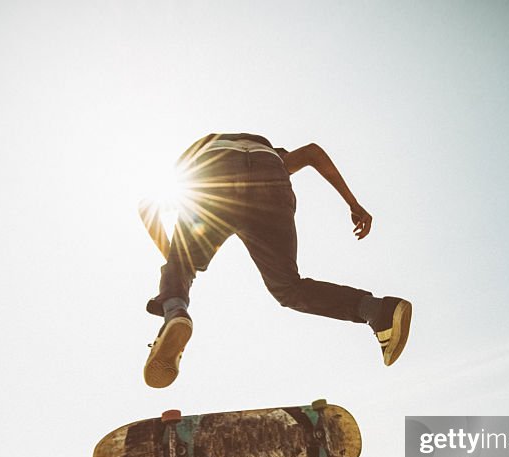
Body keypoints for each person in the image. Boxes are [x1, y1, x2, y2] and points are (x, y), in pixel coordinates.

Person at [140, 133, 411, 388]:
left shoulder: (196, 158)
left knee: (180, 265)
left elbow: (148, 207)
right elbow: (313, 153)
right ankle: (377, 311)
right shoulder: (273, 155)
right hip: (270, 178)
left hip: (213, 174)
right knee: (288, 288)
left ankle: (174, 311)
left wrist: (178, 271)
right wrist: (354, 204)